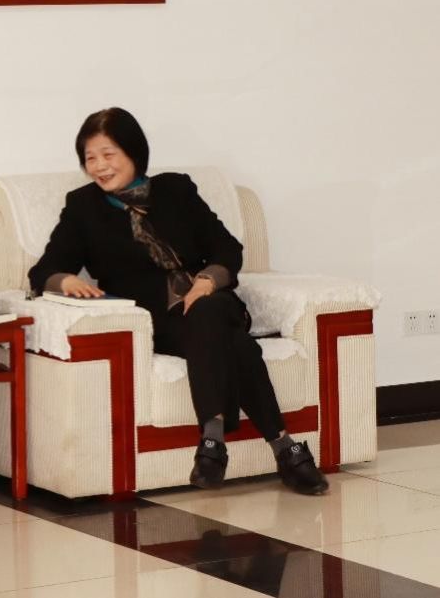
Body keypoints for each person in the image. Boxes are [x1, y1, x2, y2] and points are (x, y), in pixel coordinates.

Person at [28, 108, 328, 496]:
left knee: (210, 310)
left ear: (134, 151)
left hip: (212, 301)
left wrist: (207, 281)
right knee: (235, 343)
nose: (99, 166)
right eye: (90, 158)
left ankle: (213, 441)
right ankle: (285, 448)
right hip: (159, 320)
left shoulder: (176, 190)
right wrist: (66, 280)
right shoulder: (83, 207)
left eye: (108, 154)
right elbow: (45, 270)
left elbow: (227, 248)